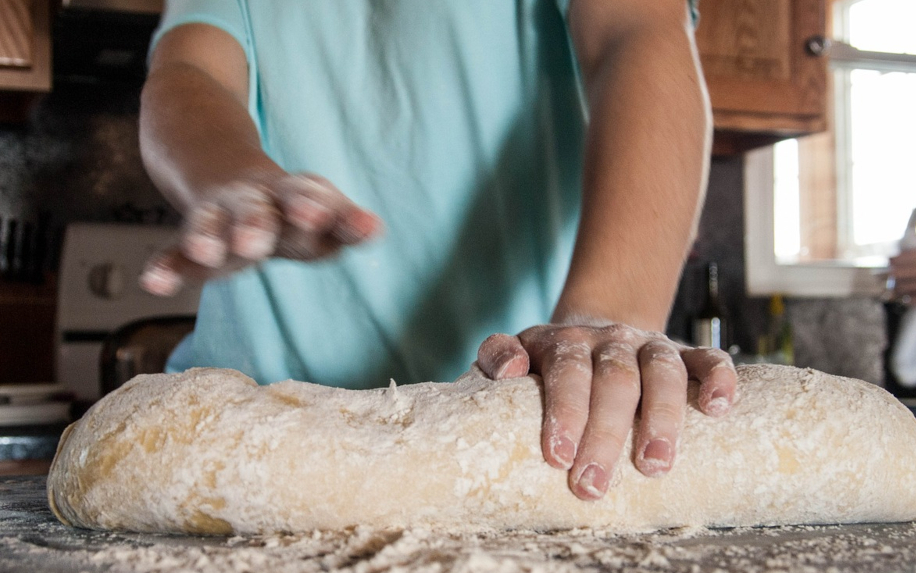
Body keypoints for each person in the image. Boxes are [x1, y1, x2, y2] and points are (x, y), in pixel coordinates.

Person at [137, 0, 737, 502]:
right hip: (241, 433)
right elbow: (191, 70)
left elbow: (634, 33)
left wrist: (605, 321)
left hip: (520, 426)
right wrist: (238, 179)